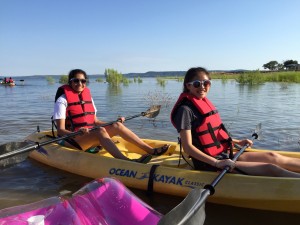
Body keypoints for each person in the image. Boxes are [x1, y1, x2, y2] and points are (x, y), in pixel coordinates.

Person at [170, 67, 300, 177]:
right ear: (188, 85)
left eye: (206, 83)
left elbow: (215, 136)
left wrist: (238, 142)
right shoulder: (185, 110)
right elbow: (188, 147)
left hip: (226, 154)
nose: (203, 87)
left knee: (273, 156)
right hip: (210, 162)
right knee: (270, 168)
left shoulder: (203, 103)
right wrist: (216, 163)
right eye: (197, 84)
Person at [53, 69, 170, 163]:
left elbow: (95, 121)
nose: (80, 84)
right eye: (76, 80)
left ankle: (150, 150)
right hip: (72, 139)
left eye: (83, 81)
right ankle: (125, 161)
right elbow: (61, 130)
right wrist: (79, 132)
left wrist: (113, 122)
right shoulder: (62, 100)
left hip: (87, 136)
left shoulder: (88, 97)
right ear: (70, 82)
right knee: (100, 131)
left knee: (117, 125)